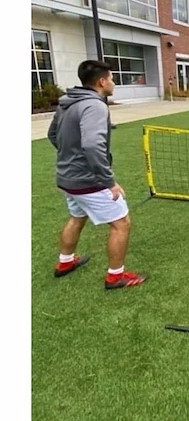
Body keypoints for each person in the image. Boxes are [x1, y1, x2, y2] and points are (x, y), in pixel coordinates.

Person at [47, 60, 146, 290]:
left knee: (77, 217)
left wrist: (71, 159)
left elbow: (53, 135)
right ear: (102, 81)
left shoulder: (67, 102)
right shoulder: (95, 106)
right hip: (88, 180)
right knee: (122, 223)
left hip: (67, 177)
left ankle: (65, 262)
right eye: (111, 78)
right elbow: (92, 145)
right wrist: (108, 182)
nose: (113, 83)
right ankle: (115, 277)